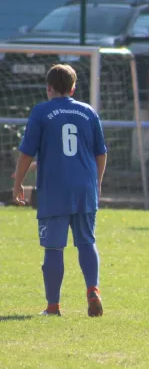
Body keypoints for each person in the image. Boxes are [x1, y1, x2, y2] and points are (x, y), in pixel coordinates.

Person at [12, 64, 107, 317]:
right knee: (87, 242)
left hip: (54, 189)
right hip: (85, 187)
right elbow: (100, 153)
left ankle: (53, 307)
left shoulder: (42, 111)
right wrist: (96, 183)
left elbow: (26, 152)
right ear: (73, 87)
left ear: (48, 87)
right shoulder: (88, 112)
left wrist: (18, 182)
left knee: (54, 248)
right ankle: (93, 289)